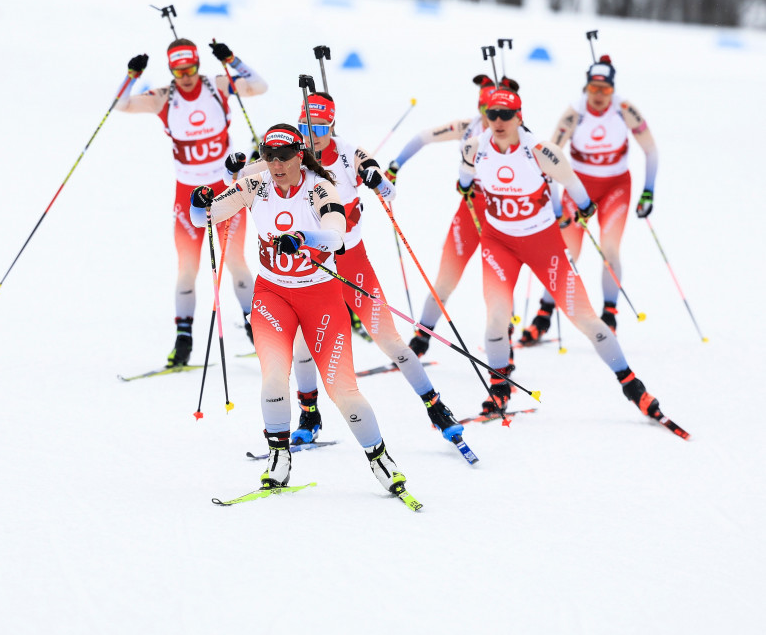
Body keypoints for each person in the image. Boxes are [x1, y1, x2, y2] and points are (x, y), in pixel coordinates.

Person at [191, 124, 418, 498]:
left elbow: (336, 235)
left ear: (300, 155)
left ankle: (380, 458)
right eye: (268, 157)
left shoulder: (318, 187)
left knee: (342, 390)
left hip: (321, 297)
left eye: (283, 157)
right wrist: (200, 204)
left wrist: (302, 238)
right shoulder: (256, 185)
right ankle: (278, 457)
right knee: (275, 377)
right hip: (272, 297)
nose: (276, 165)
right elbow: (207, 219)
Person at [227, 93, 464, 450]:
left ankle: (435, 406)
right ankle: (310, 414)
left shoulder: (347, 153)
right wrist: (235, 166)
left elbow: (388, 190)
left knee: (391, 341)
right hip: (307, 271)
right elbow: (241, 180)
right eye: (306, 126)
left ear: (332, 125)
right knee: (303, 347)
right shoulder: (288, 159)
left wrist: (374, 178)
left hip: (350, 263)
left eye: (321, 127)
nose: (313, 133)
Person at [460, 87, 677, 429]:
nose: (498, 122)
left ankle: (633, 386)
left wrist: (579, 212)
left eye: (506, 115)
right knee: (495, 318)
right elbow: (464, 181)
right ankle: (499, 388)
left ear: (519, 116)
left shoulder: (542, 152)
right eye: (492, 115)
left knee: (588, 320)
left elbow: (579, 193)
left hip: (542, 244)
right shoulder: (473, 148)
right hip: (498, 242)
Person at [117, 38, 268, 367]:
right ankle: (183, 340)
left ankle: (256, 329)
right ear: (171, 69)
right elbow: (121, 105)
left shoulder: (217, 86)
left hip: (226, 190)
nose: (186, 76)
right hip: (187, 195)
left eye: (191, 68)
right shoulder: (163, 97)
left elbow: (259, 86)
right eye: (178, 69)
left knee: (236, 262)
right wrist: (131, 75)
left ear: (199, 65)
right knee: (187, 268)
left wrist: (232, 58)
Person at [520, 54, 659, 343]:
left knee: (609, 248)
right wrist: (554, 203)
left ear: (613, 89)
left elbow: (651, 150)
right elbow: (550, 157)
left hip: (615, 188)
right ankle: (544, 315)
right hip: (578, 187)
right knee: (566, 251)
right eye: (593, 89)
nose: (598, 96)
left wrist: (648, 190)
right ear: (586, 88)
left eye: (605, 90)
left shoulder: (625, 110)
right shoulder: (575, 113)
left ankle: (609, 315)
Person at [386, 75, 519, 357]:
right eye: (484, 110)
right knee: (445, 279)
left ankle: (505, 341)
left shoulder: (518, 135)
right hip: (470, 213)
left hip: (504, 217)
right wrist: (397, 164)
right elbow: (424, 137)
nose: (490, 118)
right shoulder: (467, 127)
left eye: (496, 111)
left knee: (501, 283)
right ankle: (422, 337)